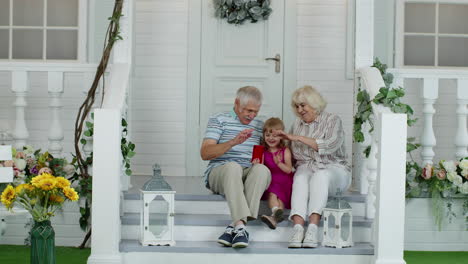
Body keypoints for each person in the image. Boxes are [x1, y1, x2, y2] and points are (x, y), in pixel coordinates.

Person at [275, 85, 351, 248]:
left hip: (334, 169)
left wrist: (299, 138)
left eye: (303, 105)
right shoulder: (297, 124)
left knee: (320, 176)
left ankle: (313, 228)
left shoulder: (332, 120)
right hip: (307, 167)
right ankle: (297, 229)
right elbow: (292, 153)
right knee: (300, 177)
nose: (300, 110)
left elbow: (330, 146)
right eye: (296, 106)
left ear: (314, 103)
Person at [200, 86, 271, 248]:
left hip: (247, 172)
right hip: (221, 172)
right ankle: (240, 225)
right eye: (248, 110)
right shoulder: (218, 119)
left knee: (262, 170)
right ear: (237, 103)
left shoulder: (259, 125)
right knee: (233, 167)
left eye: (256, 112)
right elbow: (205, 153)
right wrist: (233, 142)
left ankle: (236, 227)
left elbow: (266, 152)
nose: (252, 116)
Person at [253, 117, 294, 230]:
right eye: (267, 135)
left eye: (275, 136)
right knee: (273, 194)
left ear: (281, 136)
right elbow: (260, 167)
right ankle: (276, 215)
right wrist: (256, 164)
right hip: (271, 180)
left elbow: (289, 170)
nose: (271, 138)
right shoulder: (262, 150)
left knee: (276, 195)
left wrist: (278, 163)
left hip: (285, 180)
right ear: (264, 136)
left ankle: (275, 213)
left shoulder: (285, 150)